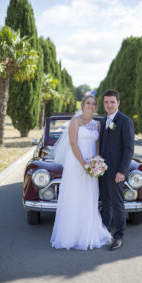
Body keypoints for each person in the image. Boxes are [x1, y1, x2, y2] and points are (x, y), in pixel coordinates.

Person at [50, 95, 112, 250]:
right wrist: (83, 164)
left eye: (93, 104)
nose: (91, 106)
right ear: (83, 105)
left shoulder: (97, 124)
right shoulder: (75, 121)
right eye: (88, 103)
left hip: (92, 164)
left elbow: (97, 144)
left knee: (89, 196)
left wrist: (96, 162)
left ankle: (88, 232)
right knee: (74, 196)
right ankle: (71, 235)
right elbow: (72, 143)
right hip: (76, 163)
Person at [99, 89, 135, 250]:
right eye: (106, 102)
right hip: (101, 170)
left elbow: (128, 149)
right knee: (105, 202)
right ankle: (106, 229)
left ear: (118, 103)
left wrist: (122, 171)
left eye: (112, 101)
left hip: (116, 172)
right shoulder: (102, 121)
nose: (109, 105)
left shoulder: (125, 121)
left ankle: (119, 236)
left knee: (117, 203)